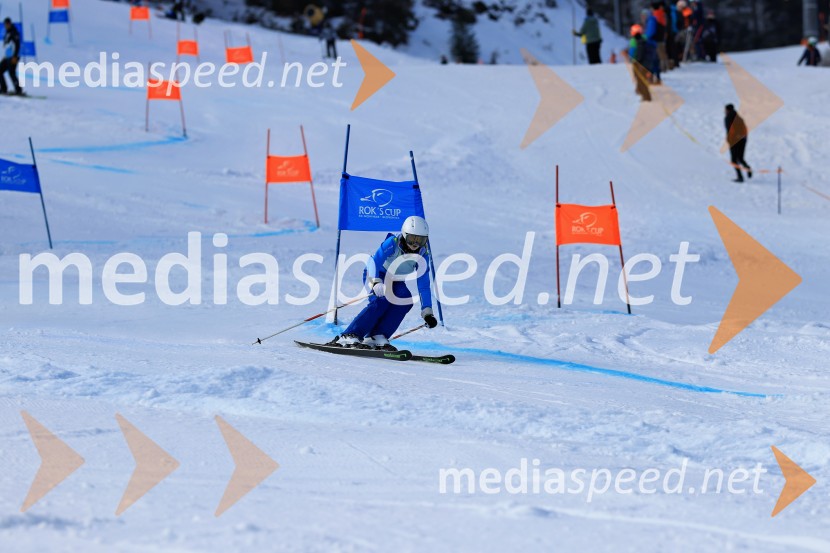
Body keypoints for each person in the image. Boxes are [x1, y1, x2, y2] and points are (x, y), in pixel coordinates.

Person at [334, 216, 438, 350]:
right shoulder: (392, 243)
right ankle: (350, 334)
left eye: (420, 240)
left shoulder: (423, 253)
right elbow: (374, 262)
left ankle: (377, 335)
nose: (415, 244)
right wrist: (375, 282)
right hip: (376, 274)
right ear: (404, 235)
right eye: (412, 238)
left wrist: (427, 311)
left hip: (396, 279)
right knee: (382, 300)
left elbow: (423, 284)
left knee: (405, 300)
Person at [725, 104, 751, 182]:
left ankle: (740, 177)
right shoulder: (739, 117)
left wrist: (730, 140)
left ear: (727, 110)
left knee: (734, 160)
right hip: (743, 140)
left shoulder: (728, 118)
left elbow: (729, 130)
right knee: (740, 158)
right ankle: (747, 168)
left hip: (734, 141)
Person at [629, 25, 652, 102]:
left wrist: (632, 59)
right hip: (646, 61)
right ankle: (639, 90)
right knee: (642, 78)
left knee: (639, 78)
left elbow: (632, 51)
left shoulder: (634, 40)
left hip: (637, 62)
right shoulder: (645, 38)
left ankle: (646, 96)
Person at [0, 18, 22, 96]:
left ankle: (18, 90)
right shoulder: (7, 32)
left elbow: (17, 45)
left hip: (13, 56)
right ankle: (3, 88)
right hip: (7, 57)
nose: (6, 26)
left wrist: (15, 56)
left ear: (10, 24)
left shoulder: (14, 32)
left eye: (7, 24)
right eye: (5, 24)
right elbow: (6, 46)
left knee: (11, 73)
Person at [646, 2, 669, 76]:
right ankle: (665, 67)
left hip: (656, 38)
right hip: (662, 37)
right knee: (663, 53)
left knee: (658, 55)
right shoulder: (662, 14)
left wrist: (648, 37)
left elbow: (652, 28)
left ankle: (662, 68)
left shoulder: (655, 15)